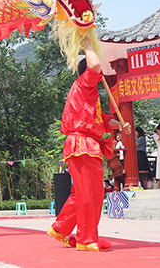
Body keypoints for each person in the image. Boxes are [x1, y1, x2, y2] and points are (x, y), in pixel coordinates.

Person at [47, 41, 131, 252]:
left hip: (85, 145)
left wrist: (120, 124)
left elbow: (103, 120)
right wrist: (86, 45)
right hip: (82, 144)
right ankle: (86, 239)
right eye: (98, 72)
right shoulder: (84, 85)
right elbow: (94, 66)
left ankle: (61, 228)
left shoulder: (89, 96)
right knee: (90, 193)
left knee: (83, 191)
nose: (100, 74)